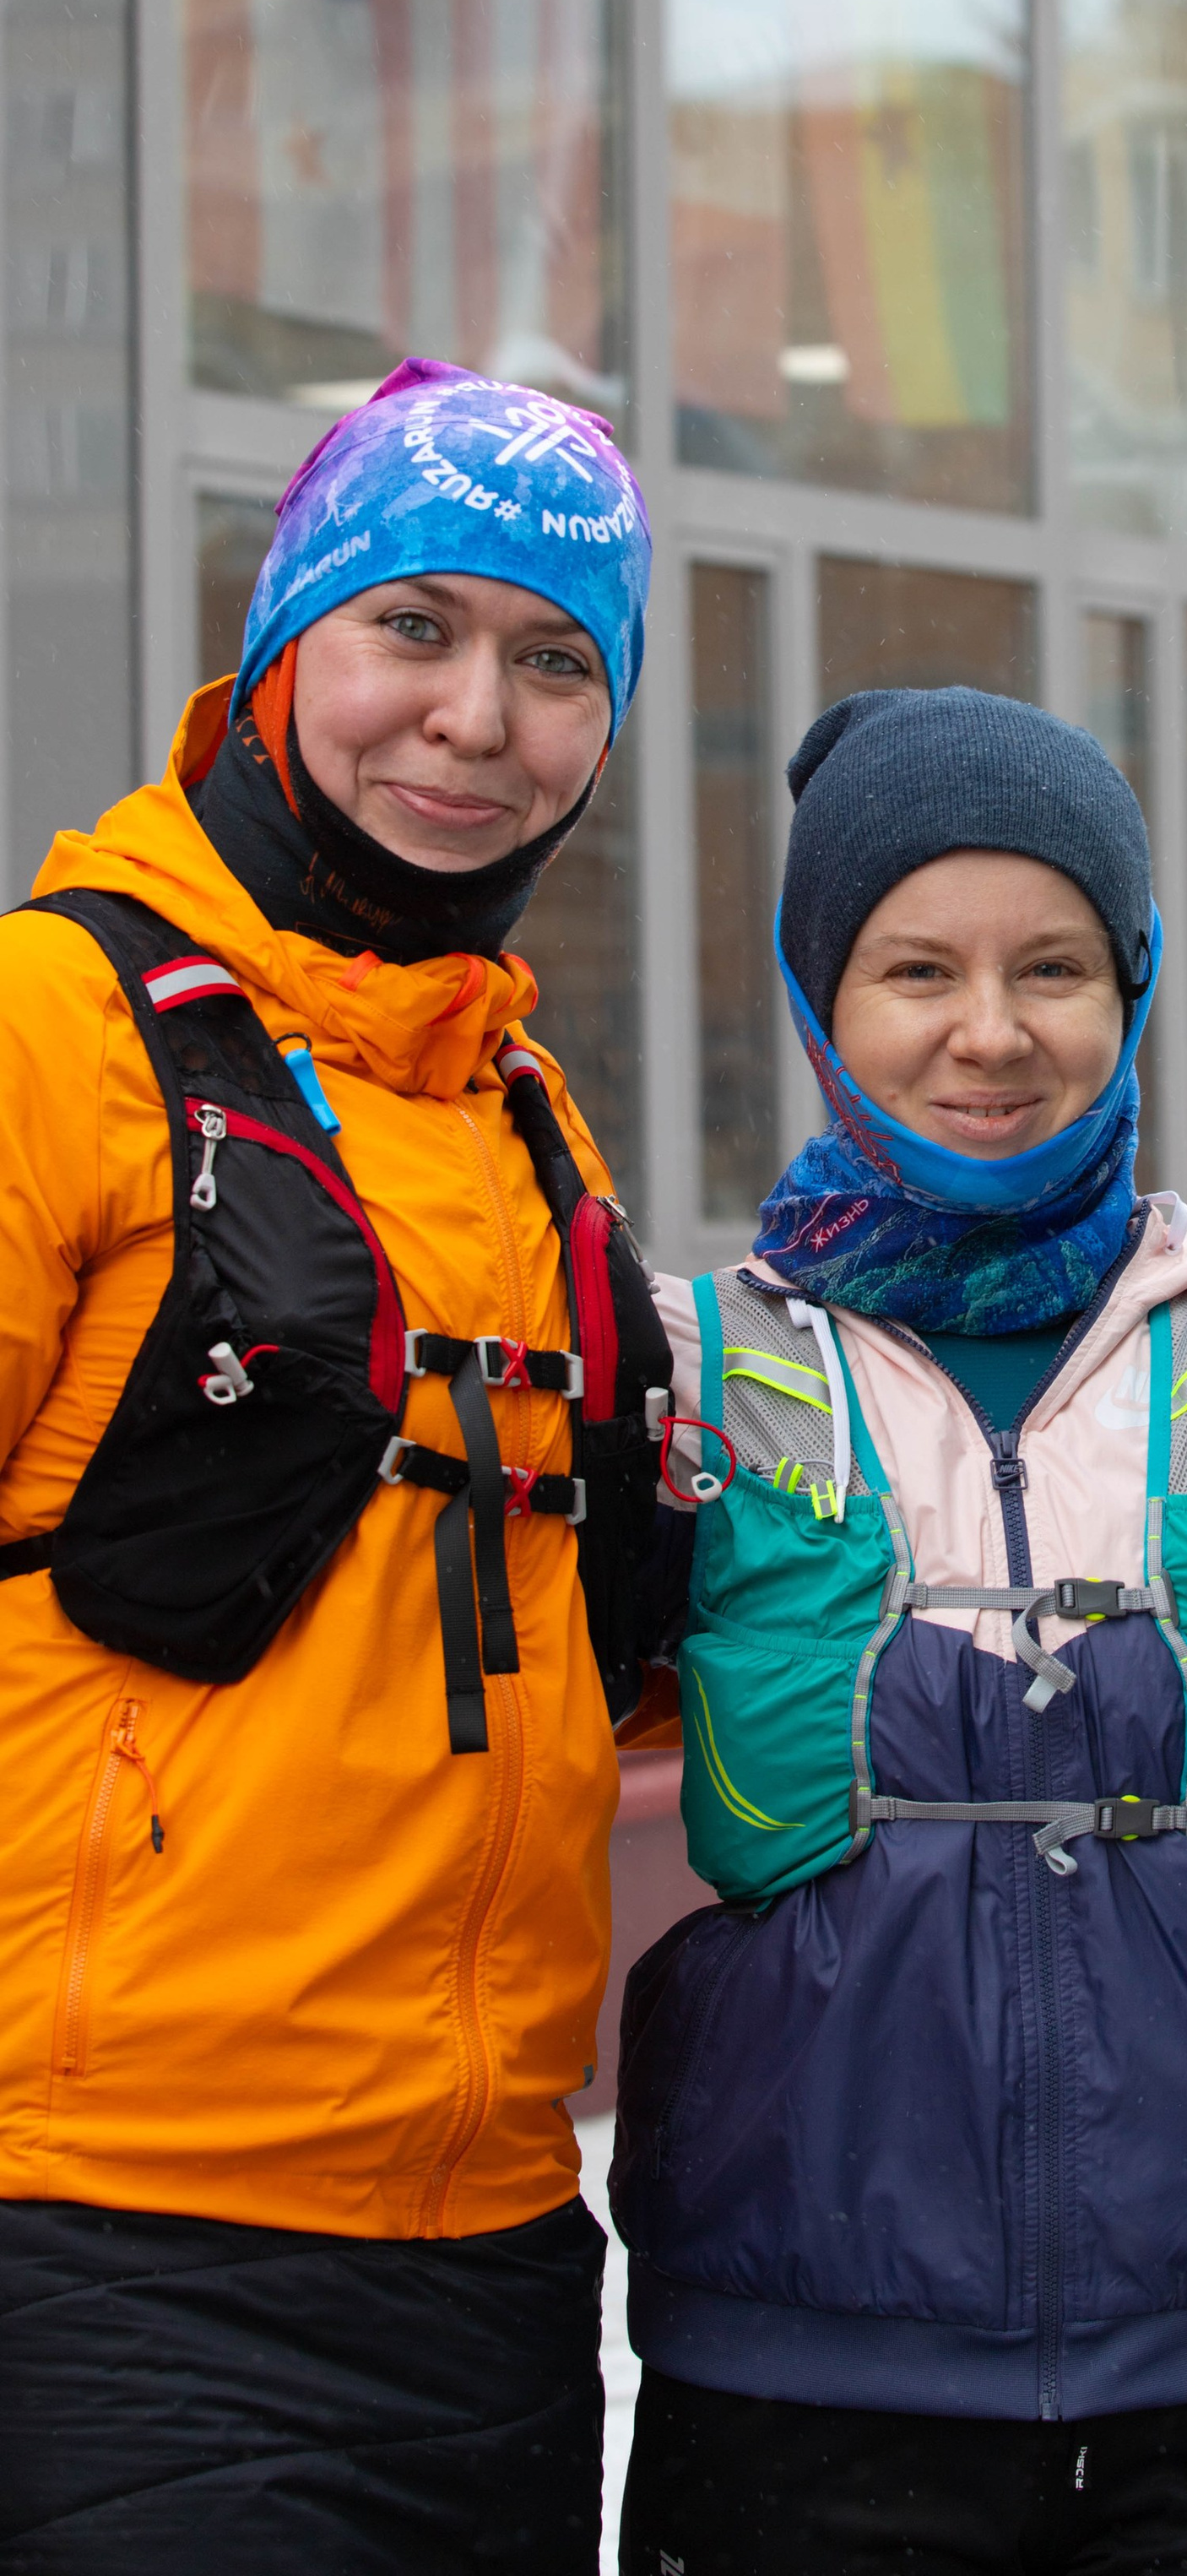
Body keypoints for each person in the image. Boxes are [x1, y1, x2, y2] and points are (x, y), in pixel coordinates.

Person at [612, 683, 1187, 2576]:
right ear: (821, 998)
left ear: (1130, 987)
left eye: (1052, 965)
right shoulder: (692, 1368)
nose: (990, 1033)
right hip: (801, 2374)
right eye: (916, 969)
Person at [0, 360, 672, 2574]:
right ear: (284, 645)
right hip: (113, 2235)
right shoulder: (58, 1030)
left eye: (557, 662)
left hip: (489, 2238)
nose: (477, 721)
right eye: (418, 628)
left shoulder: (525, 1120)